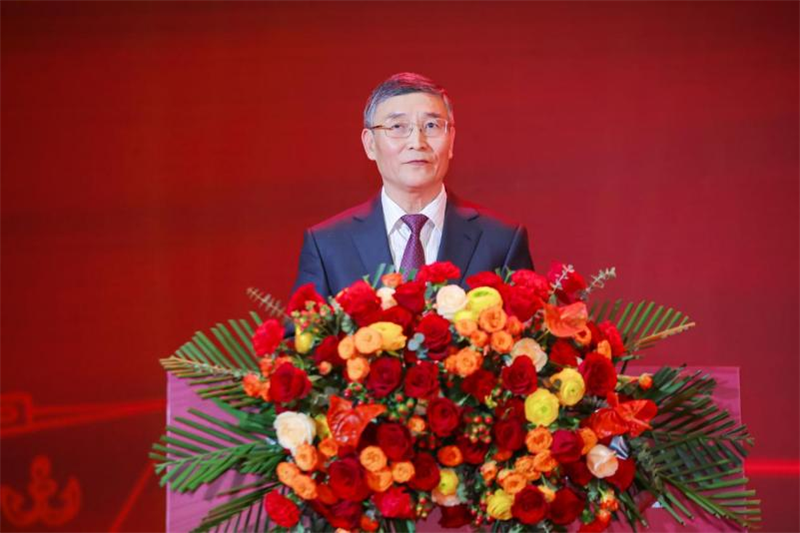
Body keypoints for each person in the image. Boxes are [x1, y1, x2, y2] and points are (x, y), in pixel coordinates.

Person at [291, 72, 534, 299]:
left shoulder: (501, 240)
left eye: (431, 126)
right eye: (398, 127)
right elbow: (304, 330)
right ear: (370, 144)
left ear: (451, 141)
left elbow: (528, 328)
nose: (417, 142)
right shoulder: (328, 244)